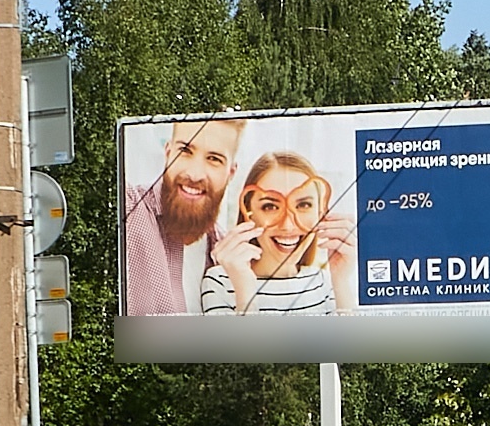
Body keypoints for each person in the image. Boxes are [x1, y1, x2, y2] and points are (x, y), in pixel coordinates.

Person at [201, 152, 357, 316]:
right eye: (270, 207)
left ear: (320, 212)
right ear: (248, 212)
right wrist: (245, 292)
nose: (288, 226)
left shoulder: (325, 282)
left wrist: (341, 281)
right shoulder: (220, 282)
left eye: (304, 205)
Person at [123, 118, 246, 315]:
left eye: (214, 159)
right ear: (168, 153)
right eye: (185, 151)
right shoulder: (128, 209)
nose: (195, 175)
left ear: (230, 173)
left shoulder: (227, 259)